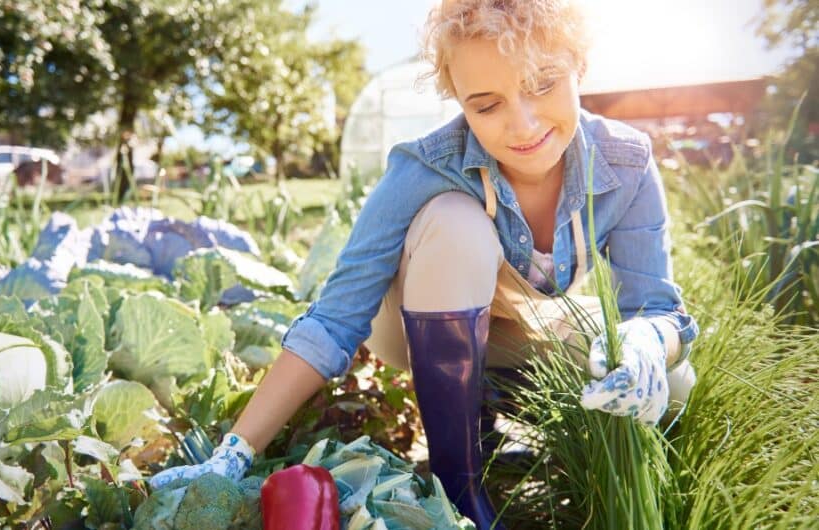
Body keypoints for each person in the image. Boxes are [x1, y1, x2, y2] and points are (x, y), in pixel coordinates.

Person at [149, 1, 700, 528]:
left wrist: (648, 341)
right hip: (411, 328)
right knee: (456, 223)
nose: (524, 124)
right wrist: (231, 454)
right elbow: (333, 321)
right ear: (458, 101)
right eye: (487, 105)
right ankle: (458, 488)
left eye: (543, 83)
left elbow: (658, 307)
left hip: (511, 325)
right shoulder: (425, 166)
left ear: (579, 66)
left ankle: (486, 411)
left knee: (673, 382)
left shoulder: (625, 162)